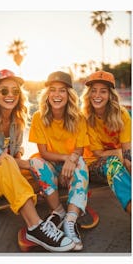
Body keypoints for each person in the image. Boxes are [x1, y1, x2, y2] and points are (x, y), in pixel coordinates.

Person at [0, 69, 75, 252]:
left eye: (15, 91)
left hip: (5, 179)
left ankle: (61, 207)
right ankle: (35, 227)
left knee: (40, 167)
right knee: (11, 162)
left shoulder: (16, 123)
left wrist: (37, 167)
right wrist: (30, 164)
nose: (10, 95)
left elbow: (17, 158)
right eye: (4, 91)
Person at [28, 71, 90, 251]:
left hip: (72, 171)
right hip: (52, 168)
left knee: (80, 162)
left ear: (68, 94)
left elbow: (79, 148)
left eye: (62, 90)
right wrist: (66, 158)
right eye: (52, 90)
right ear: (47, 94)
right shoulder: (39, 117)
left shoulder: (78, 118)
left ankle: (70, 221)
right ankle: (58, 211)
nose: (57, 95)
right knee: (35, 162)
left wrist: (72, 160)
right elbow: (44, 152)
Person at [81, 70, 132, 214]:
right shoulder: (86, 118)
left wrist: (126, 158)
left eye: (103, 91)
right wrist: (120, 153)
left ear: (110, 95)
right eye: (94, 91)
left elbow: (127, 154)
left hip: (119, 159)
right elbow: (98, 153)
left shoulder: (122, 115)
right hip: (93, 165)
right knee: (113, 164)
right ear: (89, 94)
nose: (97, 95)